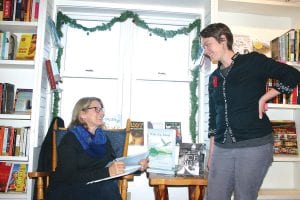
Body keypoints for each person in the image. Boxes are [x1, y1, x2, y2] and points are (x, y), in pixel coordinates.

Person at [200, 23, 300, 200]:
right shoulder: (214, 78)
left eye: (208, 44)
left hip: (254, 145)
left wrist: (265, 97)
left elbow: (293, 75)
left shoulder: (253, 61)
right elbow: (213, 118)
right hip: (222, 148)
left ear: (223, 39)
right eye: (203, 46)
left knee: (244, 196)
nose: (206, 50)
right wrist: (212, 154)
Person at [46, 97, 148, 200]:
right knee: (108, 188)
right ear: (82, 114)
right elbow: (68, 177)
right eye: (97, 109)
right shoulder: (70, 139)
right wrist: (107, 172)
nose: (102, 113)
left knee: (108, 187)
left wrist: (137, 166)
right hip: (68, 189)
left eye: (102, 109)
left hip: (96, 187)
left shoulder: (103, 138)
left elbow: (113, 164)